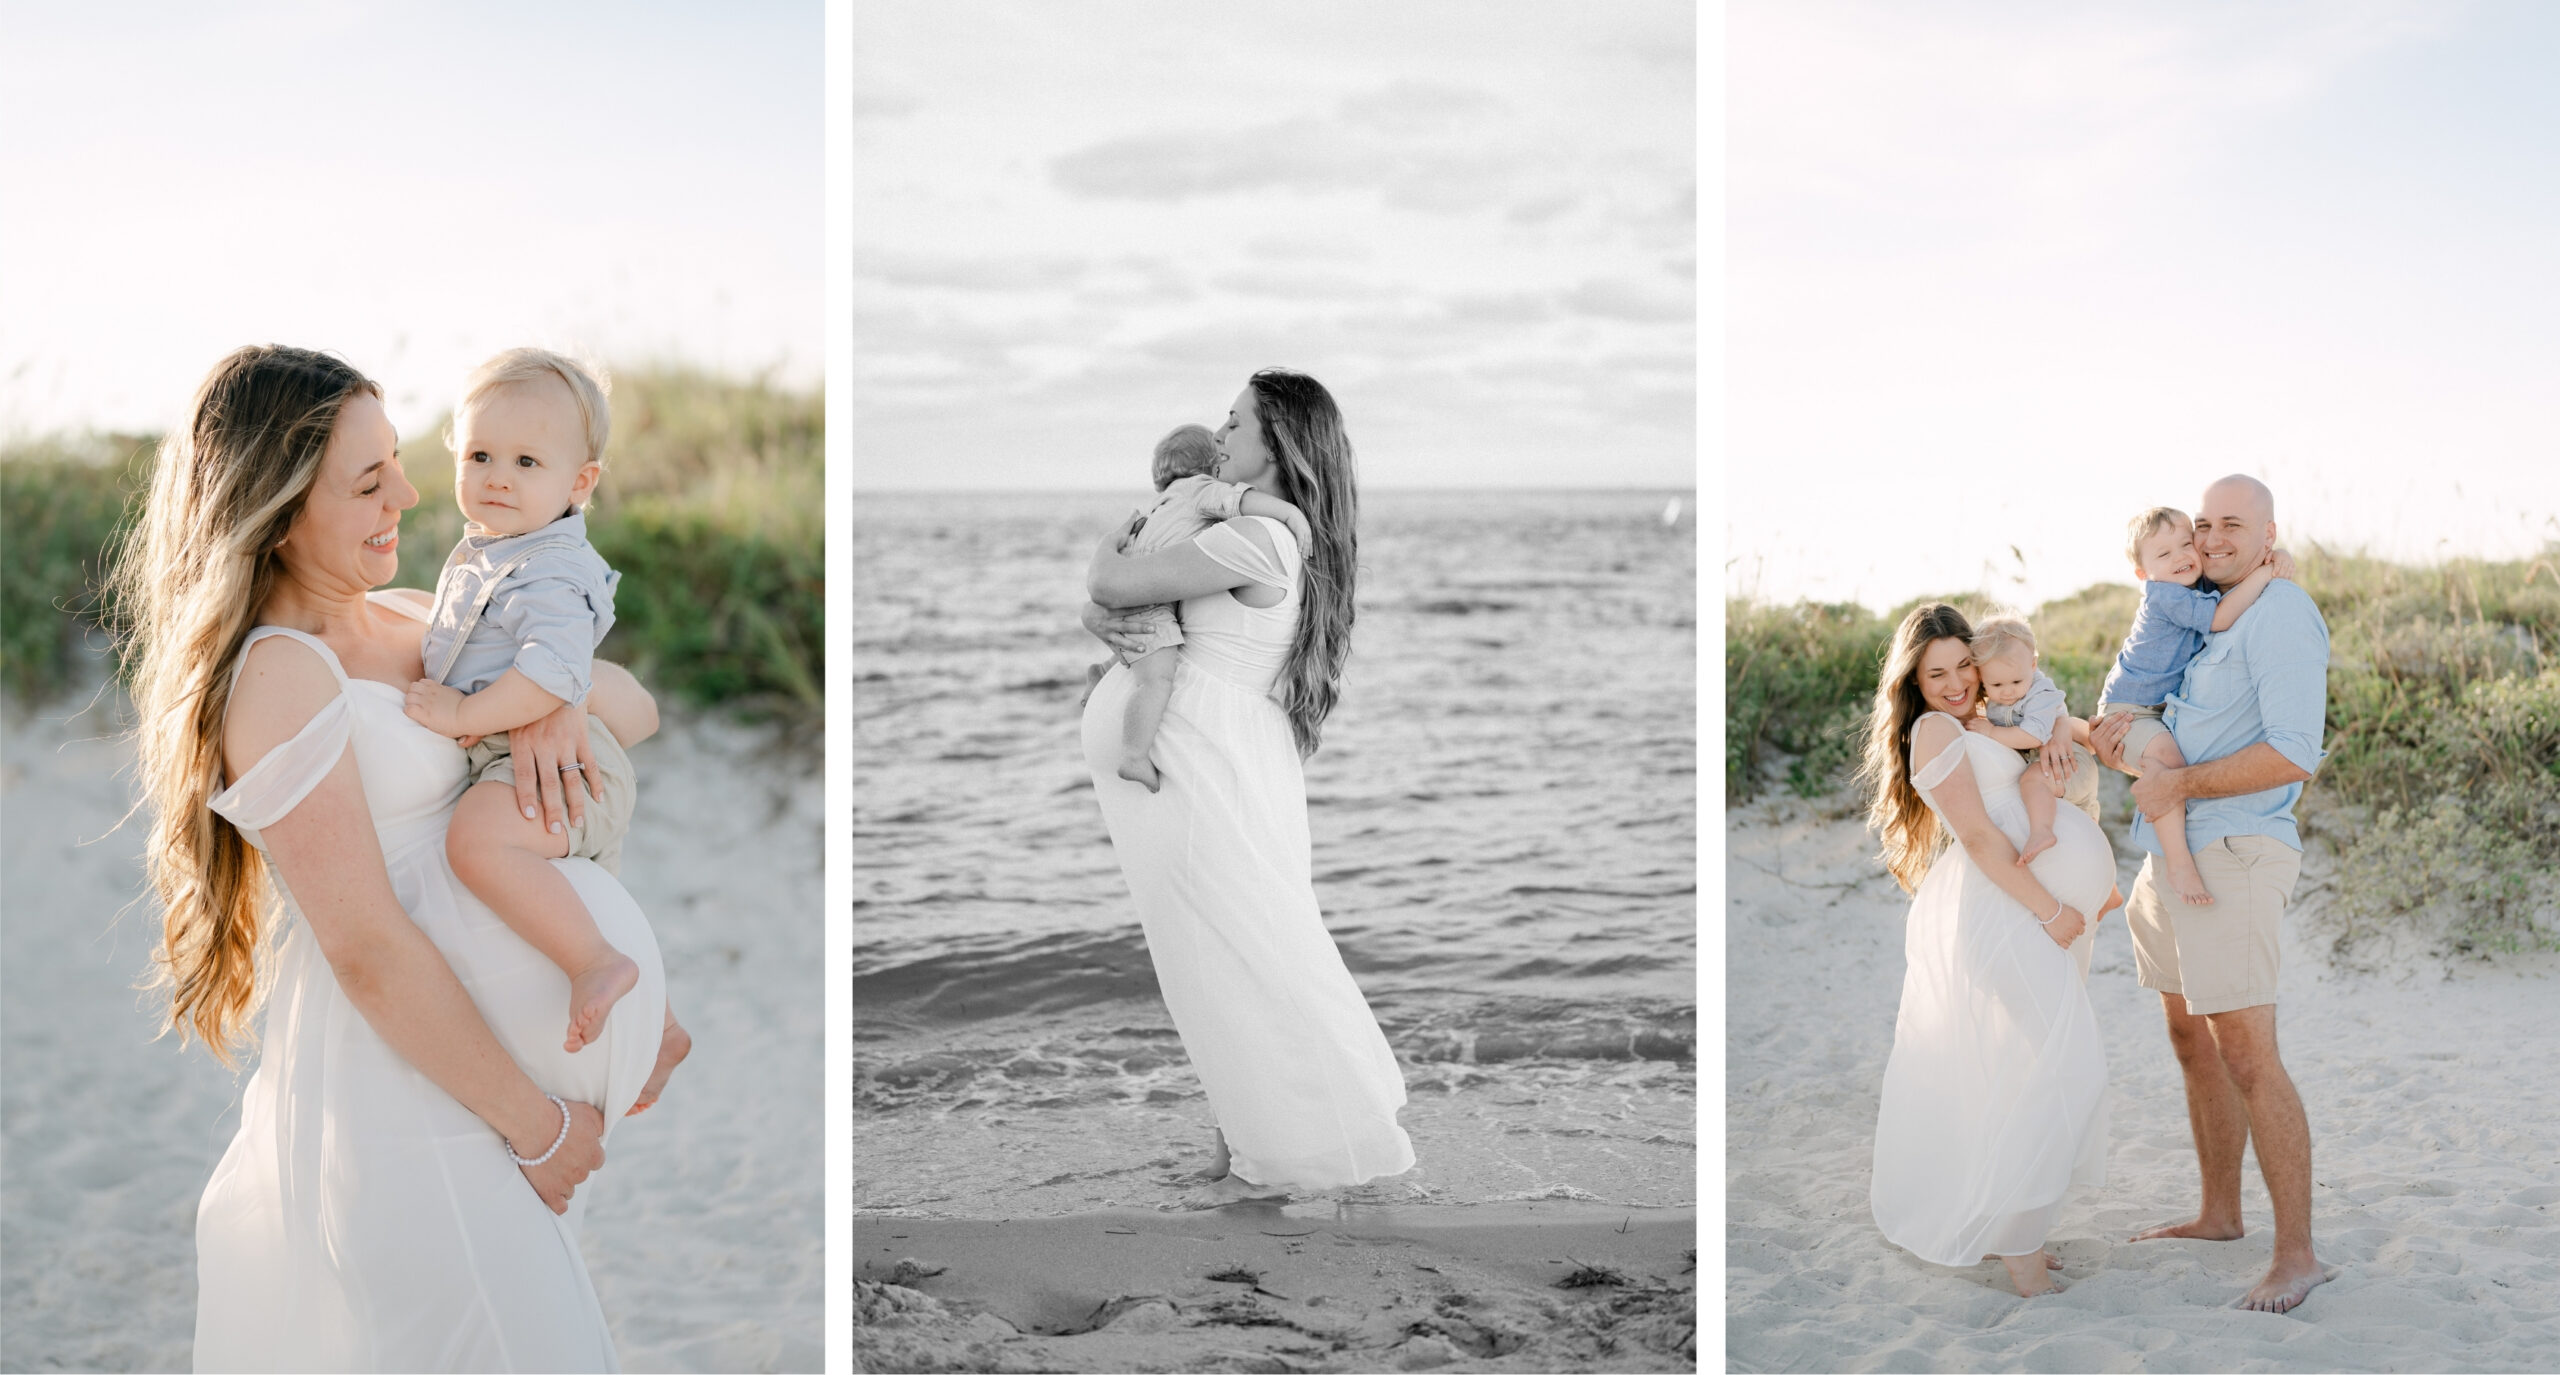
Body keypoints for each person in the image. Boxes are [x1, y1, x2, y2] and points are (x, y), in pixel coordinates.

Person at [113, 345, 689, 1369]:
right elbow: (367, 942)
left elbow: (639, 711)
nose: (415, 494)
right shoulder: (280, 677)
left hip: (491, 1105)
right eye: (369, 479)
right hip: (419, 1105)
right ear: (278, 504)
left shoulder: (429, 615)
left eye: (400, 462)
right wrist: (538, 1127)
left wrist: (559, 700)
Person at [1076, 369, 1413, 1202]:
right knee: (1207, 957)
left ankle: (1310, 1145)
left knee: (1244, 951)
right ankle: (1242, 1141)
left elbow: (1113, 586)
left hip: (1204, 768)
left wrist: (1108, 551)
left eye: (1234, 425)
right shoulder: (1246, 529)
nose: (1219, 438)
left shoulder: (1258, 540)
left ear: (1279, 444)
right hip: (1201, 760)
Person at [2090, 475, 2333, 1314]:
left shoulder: (2281, 613)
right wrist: (2125, 746)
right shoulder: (2200, 606)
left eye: (2233, 523)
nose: (2213, 536)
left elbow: (2296, 750)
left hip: (2234, 845)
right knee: (2189, 1036)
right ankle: (2219, 1213)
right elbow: (2153, 719)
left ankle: (2297, 1254)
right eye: (2204, 523)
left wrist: (2176, 783)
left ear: (2268, 535)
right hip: (2173, 845)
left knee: (2247, 1053)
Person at [397, 348, 669, 1056]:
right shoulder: (496, 550)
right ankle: (656, 1029)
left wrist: (460, 715)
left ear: (579, 482)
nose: (497, 478)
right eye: (481, 454)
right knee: (588, 901)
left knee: (479, 842)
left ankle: (597, 964)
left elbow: (553, 673)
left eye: (526, 463)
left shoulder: (547, 565)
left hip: (564, 761)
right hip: (529, 756)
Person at [1858, 603, 2115, 1297]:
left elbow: (2051, 724)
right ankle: (2021, 1253)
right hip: (2009, 913)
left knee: (2029, 1066)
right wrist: (2052, 906)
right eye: (1934, 672)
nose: (1952, 682)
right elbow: (1976, 837)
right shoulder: (1936, 729)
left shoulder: (1989, 718)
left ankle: (2016, 1228)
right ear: (1914, 680)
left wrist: (2062, 725)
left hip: (2030, 912)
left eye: (1961, 666)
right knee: (2067, 1067)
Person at [2084, 505, 2292, 906]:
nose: (2181, 557)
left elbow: (2236, 581)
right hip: (2130, 708)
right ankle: (2178, 862)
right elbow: (2220, 617)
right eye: (2164, 554)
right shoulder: (2165, 596)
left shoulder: (2193, 585)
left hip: (2153, 708)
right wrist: (2267, 573)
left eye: (2186, 544)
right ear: (2144, 575)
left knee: (2169, 760)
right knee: (2167, 762)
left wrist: (2277, 557)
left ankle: (2175, 853)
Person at [1097, 422, 1312, 793]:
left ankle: (1099, 673)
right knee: (1155, 679)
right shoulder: (1203, 492)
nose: (1225, 432)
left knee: (1134, 651)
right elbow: (1242, 501)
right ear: (1211, 468)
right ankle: (1134, 754)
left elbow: (1112, 578)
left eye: (1236, 421)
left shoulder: (1160, 504)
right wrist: (1290, 514)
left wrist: (1096, 611)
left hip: (1140, 588)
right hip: (1151, 600)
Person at [1960, 615, 2089, 862]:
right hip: (2048, 767)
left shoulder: (2041, 692)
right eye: (1996, 684)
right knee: (2083, 836)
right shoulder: (1993, 695)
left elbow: (2033, 735)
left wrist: (1991, 732)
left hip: (2067, 762)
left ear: (2032, 664)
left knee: (2032, 780)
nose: (2008, 691)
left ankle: (2041, 832)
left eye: (2016, 681)